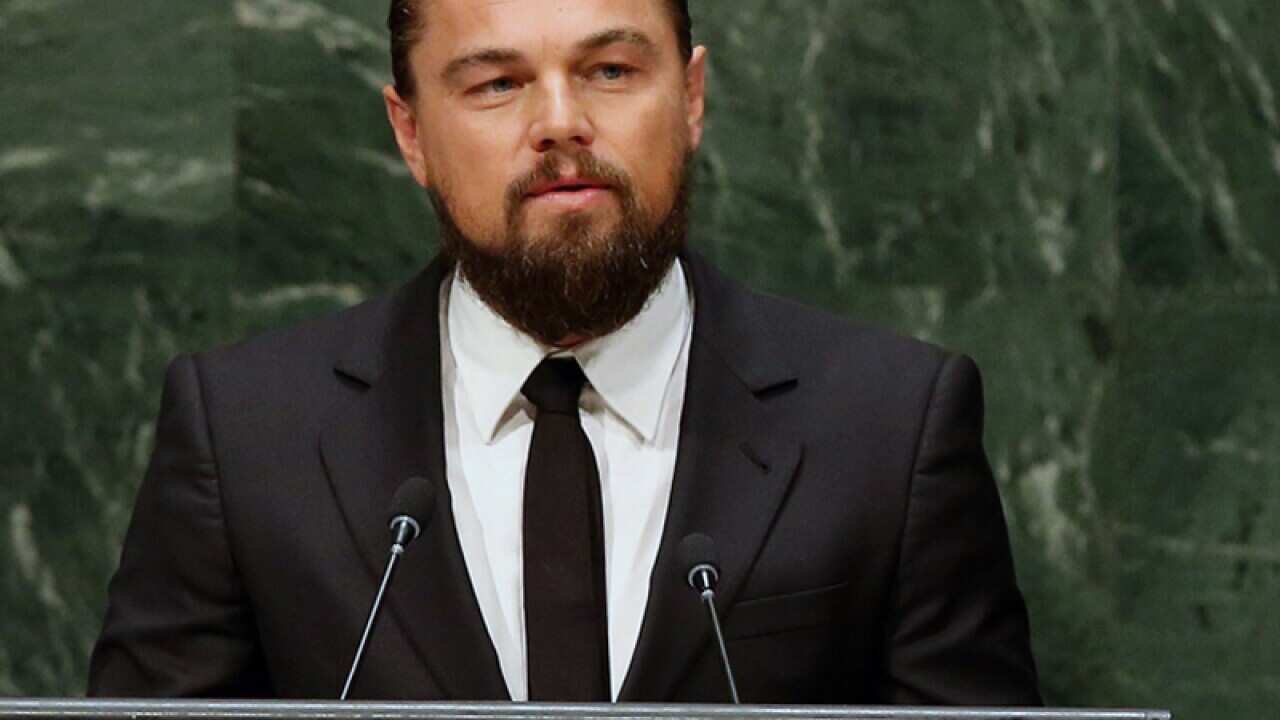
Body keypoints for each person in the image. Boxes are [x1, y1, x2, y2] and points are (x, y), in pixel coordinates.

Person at [88, 0, 1042, 706]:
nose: (559, 122)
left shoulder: (889, 428)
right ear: (411, 133)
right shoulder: (247, 435)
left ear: (692, 98)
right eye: (497, 84)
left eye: (611, 71)